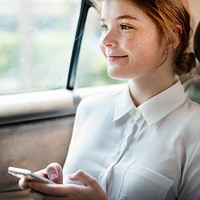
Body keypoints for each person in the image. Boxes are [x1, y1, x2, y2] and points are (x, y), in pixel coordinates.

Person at [19, 0, 200, 199]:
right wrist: (55, 189)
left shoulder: (195, 132)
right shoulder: (89, 109)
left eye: (125, 26)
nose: (105, 40)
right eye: (104, 26)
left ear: (172, 37)